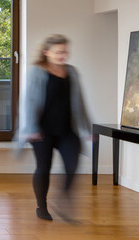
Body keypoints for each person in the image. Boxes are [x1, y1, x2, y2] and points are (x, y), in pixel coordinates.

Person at [19, 34, 91, 221]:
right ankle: (41, 207)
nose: (63, 55)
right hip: (42, 131)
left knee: (72, 164)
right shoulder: (37, 71)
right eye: (58, 52)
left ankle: (62, 199)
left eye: (65, 51)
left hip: (66, 130)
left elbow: (79, 102)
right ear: (46, 52)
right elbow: (29, 102)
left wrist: (86, 128)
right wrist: (31, 127)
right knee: (43, 168)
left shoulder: (72, 72)